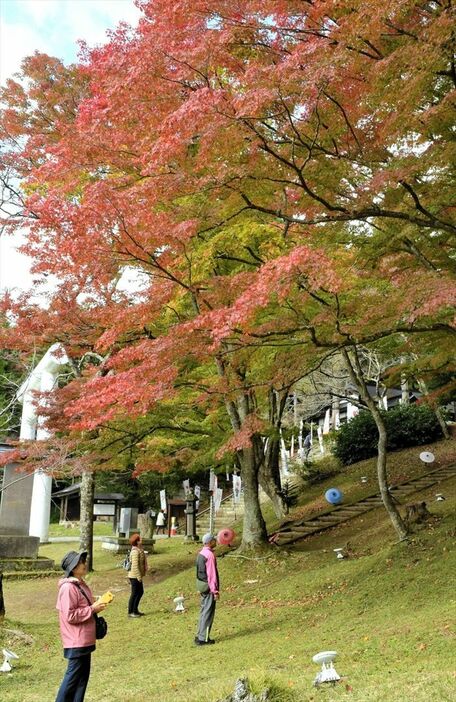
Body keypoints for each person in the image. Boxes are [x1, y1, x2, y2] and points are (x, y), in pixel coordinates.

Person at [55, 550, 107, 702]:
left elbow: (82, 604)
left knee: (81, 680)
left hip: (85, 639)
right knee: (71, 680)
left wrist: (97, 602)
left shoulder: (80, 584)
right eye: (80, 562)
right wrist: (92, 609)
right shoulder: (68, 588)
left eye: (83, 561)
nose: (84, 564)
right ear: (72, 567)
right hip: (76, 641)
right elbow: (70, 615)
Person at [195, 533, 219, 646]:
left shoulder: (201, 553)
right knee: (208, 612)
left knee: (203, 611)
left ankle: (199, 634)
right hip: (208, 586)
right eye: (214, 540)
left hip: (201, 584)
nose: (216, 541)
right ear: (210, 542)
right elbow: (212, 574)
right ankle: (203, 638)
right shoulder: (209, 555)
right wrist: (215, 591)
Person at [127, 533, 147, 618]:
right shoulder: (135, 551)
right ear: (137, 541)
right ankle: (131, 611)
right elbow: (135, 566)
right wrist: (139, 577)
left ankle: (135, 610)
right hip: (134, 576)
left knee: (139, 592)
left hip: (137, 576)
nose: (141, 540)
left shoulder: (139, 549)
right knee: (135, 593)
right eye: (140, 539)